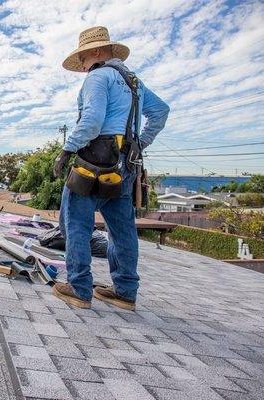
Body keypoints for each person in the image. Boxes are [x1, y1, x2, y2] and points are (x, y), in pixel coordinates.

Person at [53, 26, 170, 311]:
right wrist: (140, 143)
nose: (82, 66)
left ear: (95, 52)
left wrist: (67, 150)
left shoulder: (98, 76)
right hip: (126, 163)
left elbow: (92, 120)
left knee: (75, 220)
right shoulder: (134, 82)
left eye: (82, 59)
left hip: (95, 160)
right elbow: (161, 111)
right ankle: (125, 291)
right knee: (122, 227)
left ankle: (79, 288)